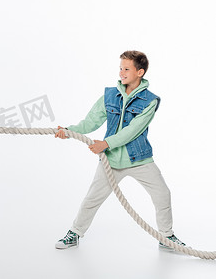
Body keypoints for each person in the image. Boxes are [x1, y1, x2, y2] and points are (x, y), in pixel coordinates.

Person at [54, 50, 185, 251]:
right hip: (111, 161)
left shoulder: (150, 101)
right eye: (120, 68)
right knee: (92, 199)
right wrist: (69, 131)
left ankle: (166, 237)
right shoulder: (109, 95)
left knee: (162, 194)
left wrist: (105, 144)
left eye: (126, 69)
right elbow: (90, 122)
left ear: (140, 72)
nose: (121, 73)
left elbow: (133, 131)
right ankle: (75, 233)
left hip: (139, 158)